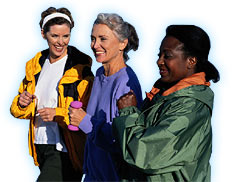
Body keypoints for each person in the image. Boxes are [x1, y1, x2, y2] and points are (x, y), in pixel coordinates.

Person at [112, 25, 220, 181]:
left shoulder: (191, 107)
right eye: (159, 55)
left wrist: (128, 112)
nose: (159, 61)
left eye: (167, 56)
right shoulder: (163, 96)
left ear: (191, 61)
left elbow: (145, 154)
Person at [10, 7, 94, 181]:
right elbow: (17, 109)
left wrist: (58, 113)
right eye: (54, 36)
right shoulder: (35, 66)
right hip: (40, 145)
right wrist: (22, 102)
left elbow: (87, 113)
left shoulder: (80, 70)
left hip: (64, 148)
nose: (60, 42)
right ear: (43, 34)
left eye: (66, 36)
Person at [69, 13, 143, 181]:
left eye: (103, 39)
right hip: (92, 174)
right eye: (93, 38)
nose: (95, 45)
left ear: (122, 44)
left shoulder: (126, 82)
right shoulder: (100, 73)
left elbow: (123, 141)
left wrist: (84, 121)